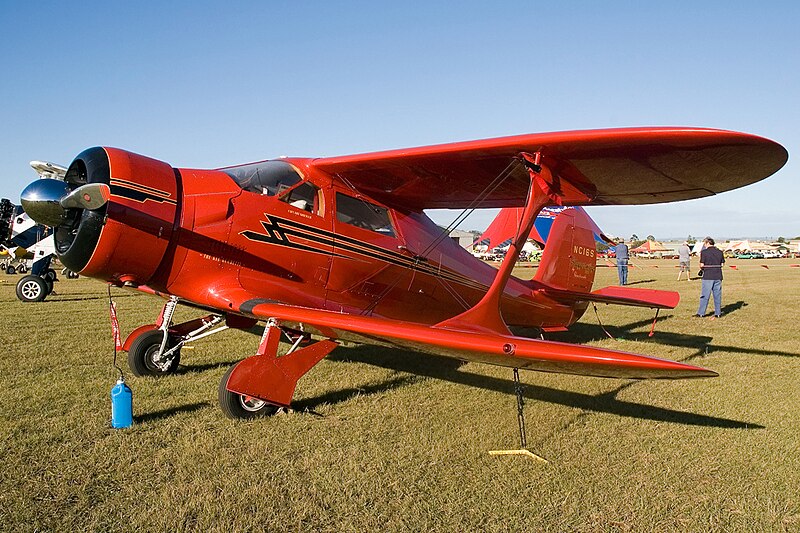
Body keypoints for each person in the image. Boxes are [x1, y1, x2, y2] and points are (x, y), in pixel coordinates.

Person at [695, 237, 724, 319]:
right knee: (717, 295)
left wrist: (702, 269)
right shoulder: (720, 252)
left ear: (707, 243)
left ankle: (701, 313)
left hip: (708, 276)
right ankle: (718, 313)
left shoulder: (704, 252)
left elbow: (701, 265)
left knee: (705, 295)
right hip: (718, 276)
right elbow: (722, 264)